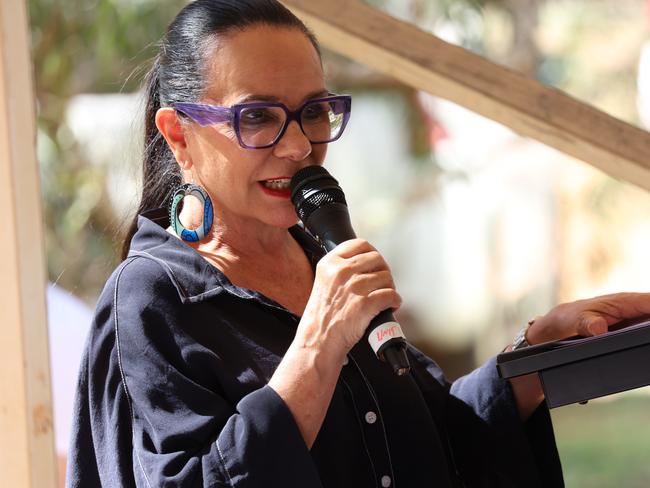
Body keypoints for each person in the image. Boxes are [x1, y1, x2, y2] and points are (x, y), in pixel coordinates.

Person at [66, 1, 650, 487]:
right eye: (259, 117)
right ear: (180, 136)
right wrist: (318, 346)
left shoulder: (323, 255)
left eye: (314, 112)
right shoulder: (150, 301)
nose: (298, 146)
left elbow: (432, 438)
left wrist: (531, 357)